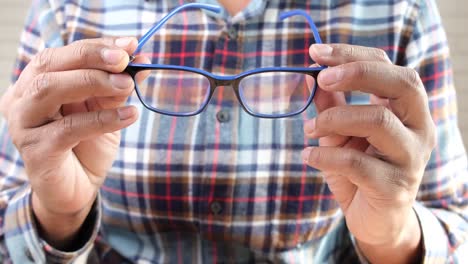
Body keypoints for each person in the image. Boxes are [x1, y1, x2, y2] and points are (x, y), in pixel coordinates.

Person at [0, 0, 466, 263]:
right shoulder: (68, 12)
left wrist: (392, 237)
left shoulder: (397, 13)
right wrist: (58, 216)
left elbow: (455, 224)